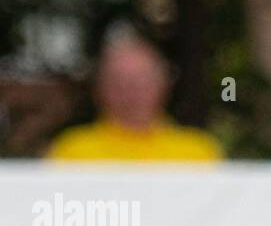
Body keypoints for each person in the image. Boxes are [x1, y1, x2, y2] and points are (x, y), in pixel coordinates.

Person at [46, 32, 222, 165]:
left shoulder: (198, 153)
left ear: (164, 85)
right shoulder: (71, 152)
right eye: (119, 81)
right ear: (100, 88)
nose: (131, 92)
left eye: (141, 81)